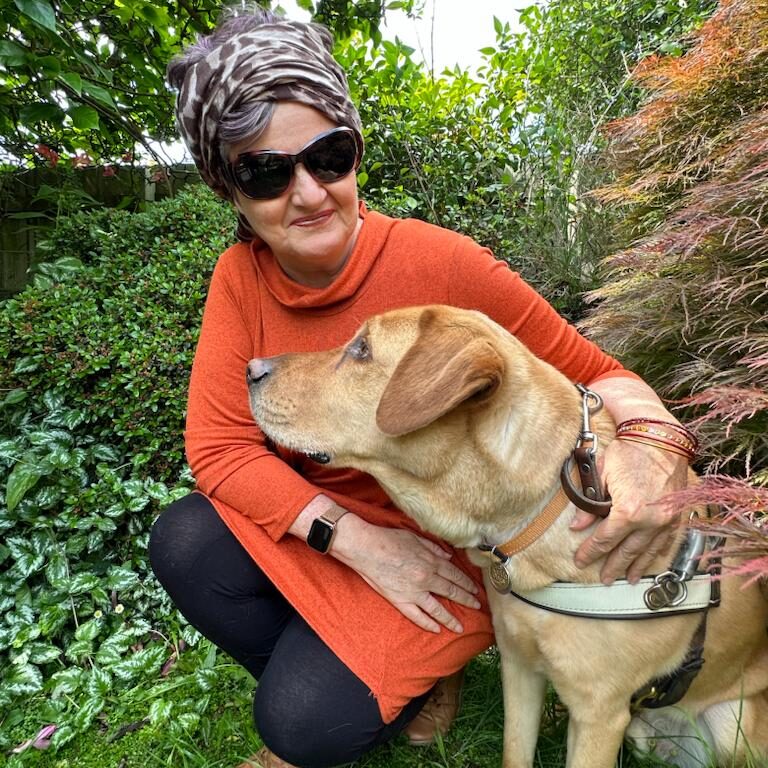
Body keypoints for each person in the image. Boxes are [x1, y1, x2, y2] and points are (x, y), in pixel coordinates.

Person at [149, 6, 691, 768]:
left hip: (450, 559)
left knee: (299, 726)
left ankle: (398, 668)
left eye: (328, 156)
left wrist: (657, 443)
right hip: (342, 541)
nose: (307, 193)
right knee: (186, 542)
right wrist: (359, 542)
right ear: (228, 190)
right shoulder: (240, 278)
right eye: (266, 172)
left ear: (355, 152)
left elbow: (597, 371)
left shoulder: (444, 267)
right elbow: (217, 446)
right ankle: (367, 667)